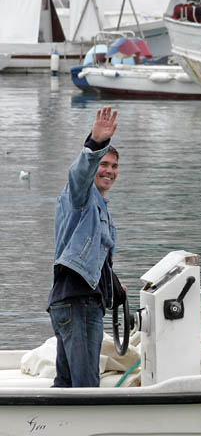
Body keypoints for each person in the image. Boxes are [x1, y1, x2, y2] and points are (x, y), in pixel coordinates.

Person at [48, 106, 120, 387]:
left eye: (114, 167)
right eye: (104, 165)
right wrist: (96, 143)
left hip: (74, 303)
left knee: (66, 385)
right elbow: (79, 172)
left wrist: (114, 287)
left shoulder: (101, 207)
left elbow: (95, 258)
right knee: (86, 389)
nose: (109, 171)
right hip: (78, 304)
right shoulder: (79, 196)